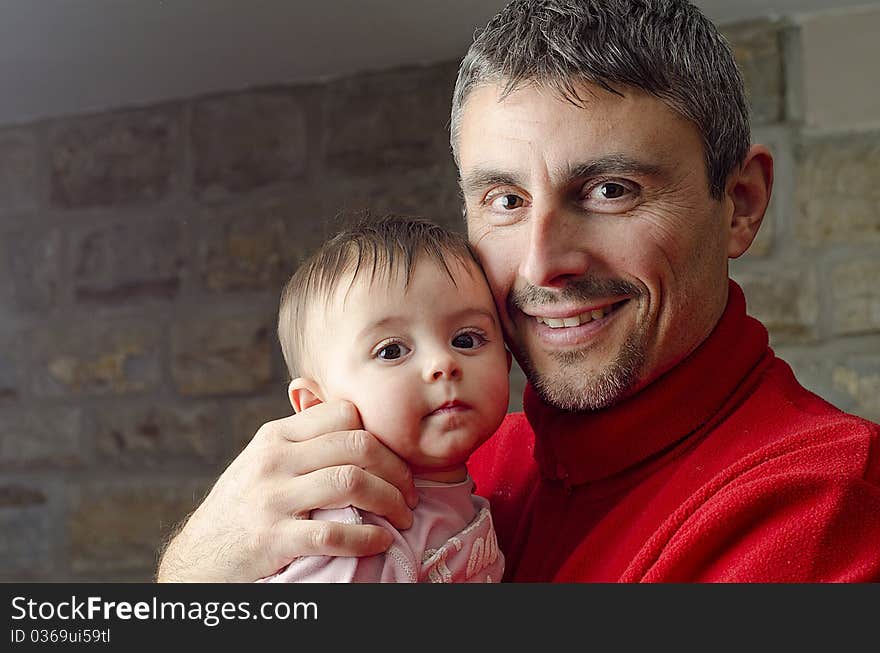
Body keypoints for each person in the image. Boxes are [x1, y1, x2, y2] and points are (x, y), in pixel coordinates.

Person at [157, 0, 880, 583]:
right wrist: (197, 571)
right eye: (504, 200)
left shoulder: (827, 505)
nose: (541, 263)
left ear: (742, 203)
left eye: (609, 189)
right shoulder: (453, 457)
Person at [262, 215, 508, 582]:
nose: (443, 362)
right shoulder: (352, 534)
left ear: (507, 358)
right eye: (392, 350)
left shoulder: (477, 490)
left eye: (466, 339)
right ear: (317, 407)